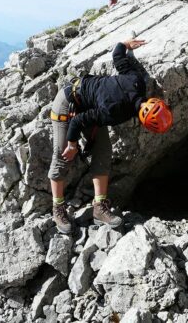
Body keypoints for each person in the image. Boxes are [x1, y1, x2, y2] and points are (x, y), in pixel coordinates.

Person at [48, 38, 173, 234]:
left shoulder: (137, 82)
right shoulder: (113, 111)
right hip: (67, 103)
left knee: (103, 153)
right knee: (62, 155)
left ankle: (99, 208)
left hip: (91, 106)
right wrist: (73, 145)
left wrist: (124, 44)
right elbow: (77, 121)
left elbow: (117, 56)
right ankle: (58, 208)